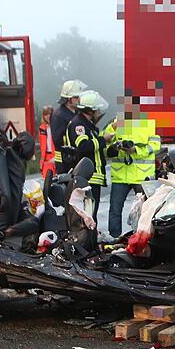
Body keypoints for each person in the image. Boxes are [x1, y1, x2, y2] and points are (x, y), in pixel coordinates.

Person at [104, 108, 161, 238]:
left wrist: (136, 149)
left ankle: (144, 236)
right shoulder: (116, 124)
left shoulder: (148, 124)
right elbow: (106, 140)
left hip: (141, 176)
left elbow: (155, 145)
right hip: (121, 176)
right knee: (115, 210)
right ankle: (114, 238)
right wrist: (113, 127)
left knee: (146, 210)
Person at [65, 90, 108, 222]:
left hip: (93, 178)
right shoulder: (79, 125)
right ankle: (88, 242)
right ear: (90, 110)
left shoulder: (88, 125)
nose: (99, 113)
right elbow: (82, 147)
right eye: (97, 110)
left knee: (91, 216)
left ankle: (91, 241)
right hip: (87, 178)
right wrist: (103, 140)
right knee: (87, 217)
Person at [51, 79, 87, 174]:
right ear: (68, 99)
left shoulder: (76, 113)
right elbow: (58, 140)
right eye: (76, 97)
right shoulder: (58, 115)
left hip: (75, 159)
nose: (79, 100)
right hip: (65, 162)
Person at [37, 105, 57, 180]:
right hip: (45, 158)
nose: (48, 116)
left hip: (55, 155)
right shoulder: (41, 128)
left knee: (55, 180)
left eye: (50, 114)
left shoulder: (56, 126)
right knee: (46, 180)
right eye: (46, 114)